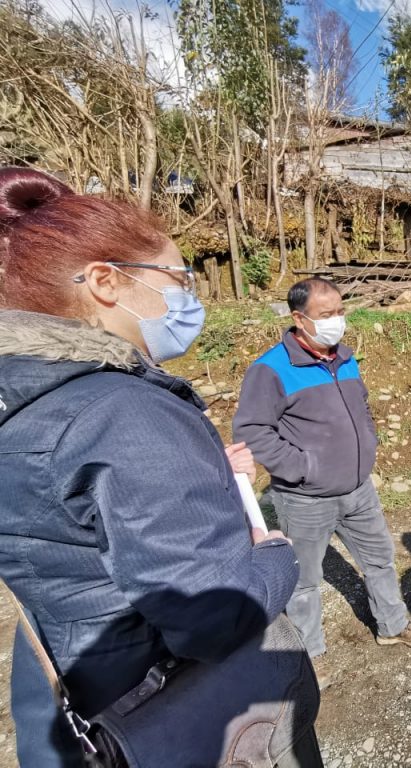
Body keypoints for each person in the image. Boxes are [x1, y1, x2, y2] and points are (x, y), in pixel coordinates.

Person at [0, 167, 314, 766]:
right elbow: (213, 616)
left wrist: (195, 480)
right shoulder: (122, 411)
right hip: (159, 702)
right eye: (177, 277)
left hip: (75, 680)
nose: (188, 297)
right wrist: (276, 555)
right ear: (105, 282)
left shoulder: (25, 395)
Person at [233, 277, 411, 656]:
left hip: (359, 490)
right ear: (299, 318)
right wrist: (303, 467)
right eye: (326, 315)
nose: (336, 321)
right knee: (304, 581)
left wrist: (368, 444)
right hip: (306, 499)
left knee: (380, 560)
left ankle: (392, 625)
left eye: (340, 312)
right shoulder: (271, 368)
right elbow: (253, 431)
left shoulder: (345, 357)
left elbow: (362, 408)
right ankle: (308, 656)